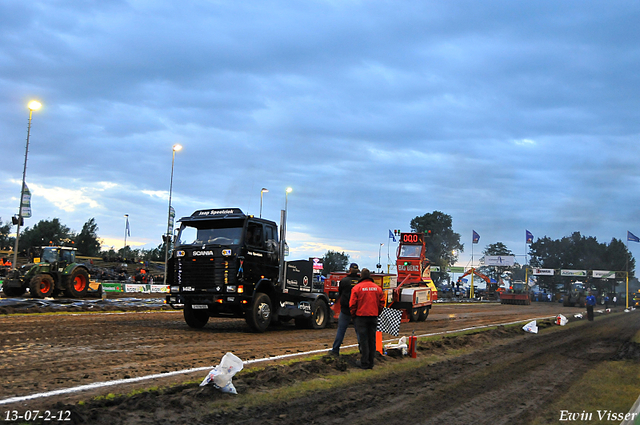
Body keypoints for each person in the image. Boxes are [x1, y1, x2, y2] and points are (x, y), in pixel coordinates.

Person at [349, 268, 385, 369]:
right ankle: (371, 362)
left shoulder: (357, 288)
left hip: (361, 317)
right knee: (372, 339)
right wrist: (377, 312)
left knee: (363, 340)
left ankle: (364, 362)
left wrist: (353, 315)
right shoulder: (377, 288)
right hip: (373, 316)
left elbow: (352, 304)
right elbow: (382, 303)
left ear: (361, 276)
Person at [329, 263, 360, 356]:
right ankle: (362, 350)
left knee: (341, 330)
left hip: (346, 309)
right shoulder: (360, 282)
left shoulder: (344, 281)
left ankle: (335, 350)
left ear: (349, 270)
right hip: (357, 309)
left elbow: (340, 292)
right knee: (359, 331)